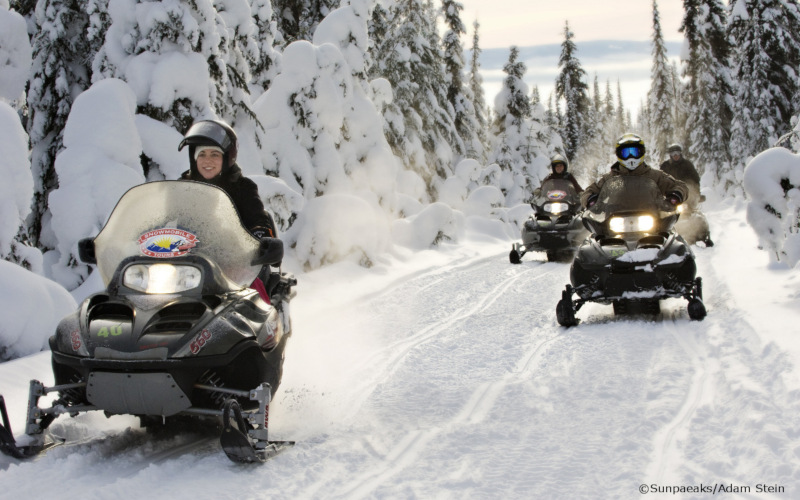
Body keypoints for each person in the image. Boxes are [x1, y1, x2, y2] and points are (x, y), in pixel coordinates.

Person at [178, 119, 290, 304]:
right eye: (202, 154)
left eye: (215, 154)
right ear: (194, 158)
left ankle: (264, 325)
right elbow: (164, 219)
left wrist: (262, 239)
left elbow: (258, 221)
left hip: (232, 262)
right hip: (186, 262)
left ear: (226, 157)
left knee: (251, 299)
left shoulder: (242, 188)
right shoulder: (182, 188)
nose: (207, 161)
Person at [581, 133, 688, 211]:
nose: (630, 156)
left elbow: (680, 186)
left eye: (634, 152)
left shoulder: (654, 175)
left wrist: (676, 195)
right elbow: (589, 191)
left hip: (653, 224)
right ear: (619, 155)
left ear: (641, 152)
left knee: (675, 241)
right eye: (626, 153)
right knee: (592, 241)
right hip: (614, 225)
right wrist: (591, 199)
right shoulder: (610, 178)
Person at [659, 143, 713, 246]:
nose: (676, 155)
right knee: (662, 216)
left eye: (677, 153)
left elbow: (695, 180)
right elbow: (660, 181)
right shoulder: (665, 166)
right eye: (673, 153)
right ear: (670, 155)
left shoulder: (687, 165)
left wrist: (695, 193)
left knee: (696, 215)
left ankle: (704, 235)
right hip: (671, 197)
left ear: (680, 153)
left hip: (687, 196)